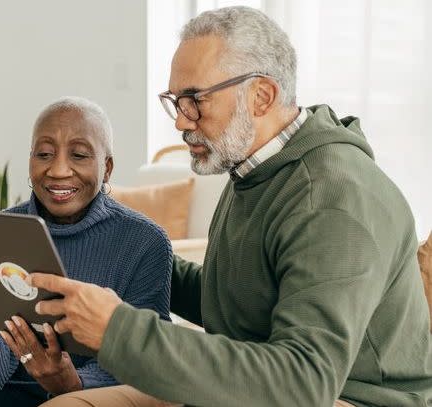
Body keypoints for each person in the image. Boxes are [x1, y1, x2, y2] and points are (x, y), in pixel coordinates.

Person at [31, 7, 432, 407]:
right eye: (176, 101)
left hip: (345, 396)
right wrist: (121, 254)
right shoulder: (257, 169)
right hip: (256, 380)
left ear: (261, 96)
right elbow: (239, 299)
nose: (181, 122)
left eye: (194, 100)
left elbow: (303, 383)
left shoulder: (333, 198)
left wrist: (117, 330)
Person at [0, 96, 173, 406]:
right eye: (44, 154)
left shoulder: (145, 242)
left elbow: (149, 362)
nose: (58, 169)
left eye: (79, 155)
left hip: (90, 398)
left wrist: (74, 382)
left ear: (106, 168)